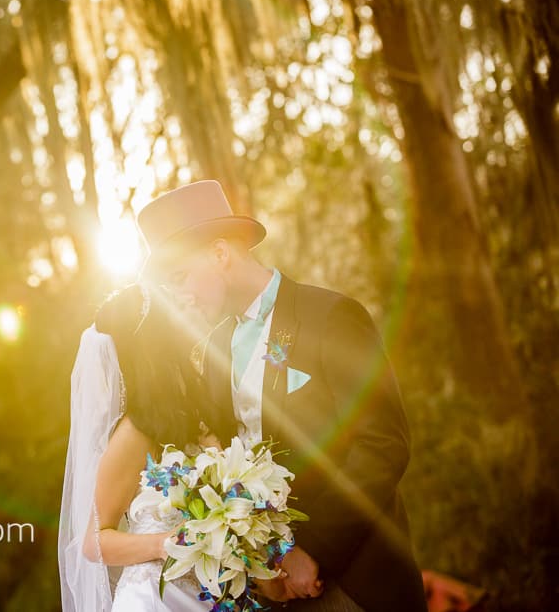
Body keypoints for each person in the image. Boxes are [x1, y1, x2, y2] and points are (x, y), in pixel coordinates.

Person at [135, 180, 427, 612]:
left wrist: (312, 550)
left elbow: (382, 445)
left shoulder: (331, 316)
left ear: (220, 254)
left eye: (180, 277)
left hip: (358, 582)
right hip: (271, 592)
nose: (181, 296)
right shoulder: (214, 349)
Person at [59, 283, 243, 611]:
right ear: (157, 339)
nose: (188, 301)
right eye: (174, 307)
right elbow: (93, 541)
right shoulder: (134, 432)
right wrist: (164, 544)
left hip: (209, 594)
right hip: (157, 598)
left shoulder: (197, 411)